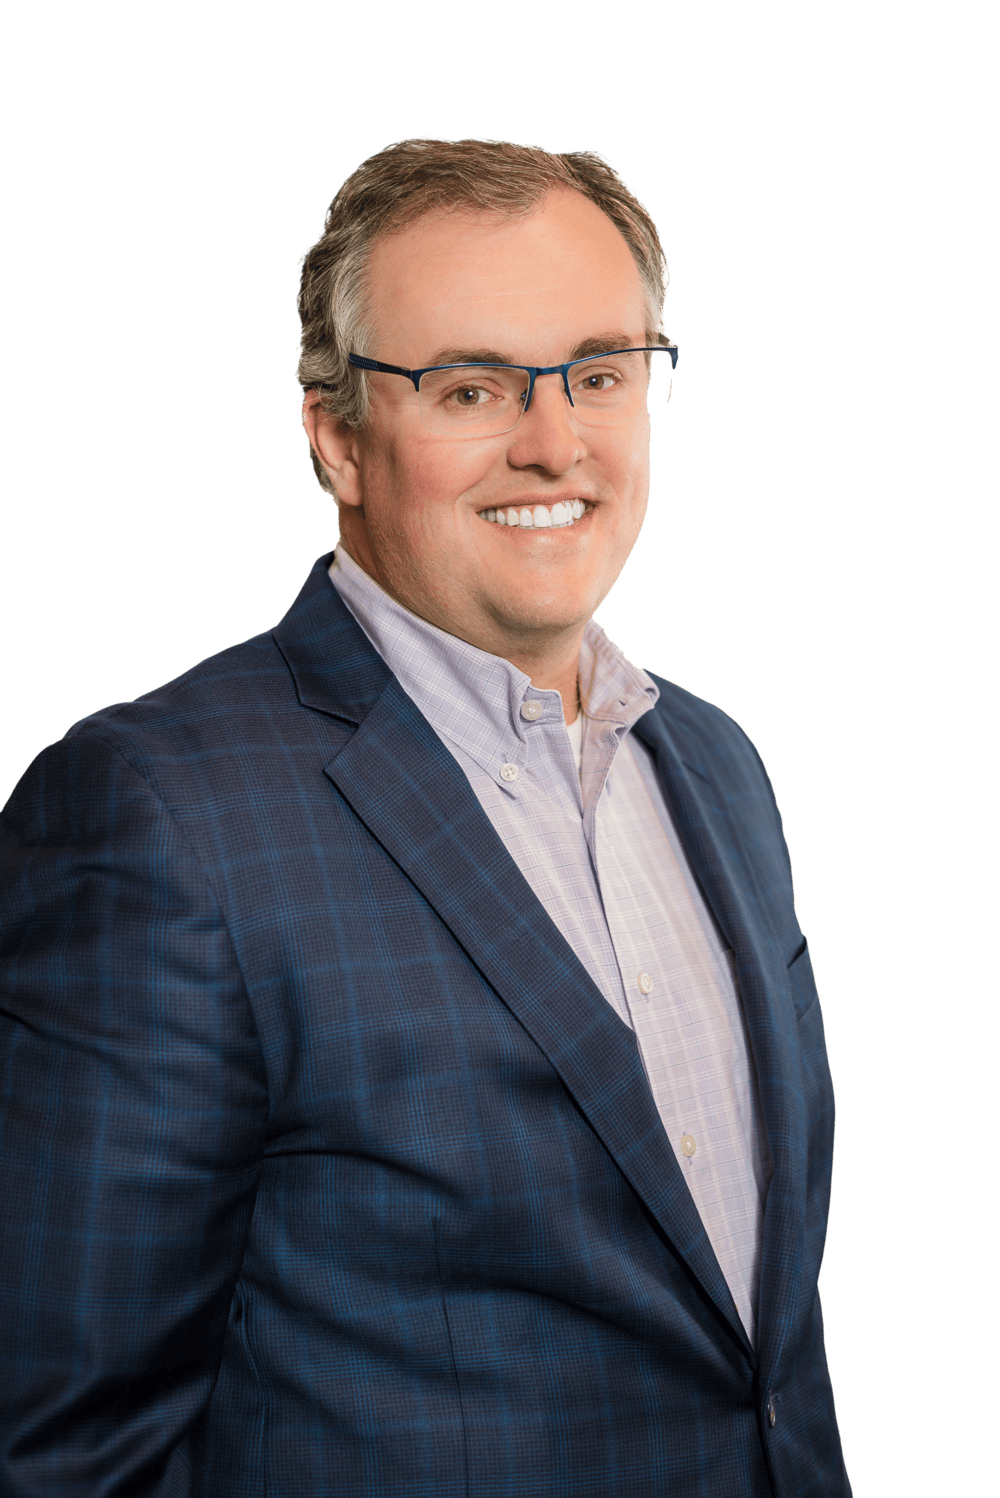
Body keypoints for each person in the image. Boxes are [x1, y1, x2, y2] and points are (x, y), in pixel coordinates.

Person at [0, 137, 851, 1497]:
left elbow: (753, 1356)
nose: (555, 440)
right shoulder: (160, 816)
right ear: (335, 434)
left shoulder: (716, 764)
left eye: (599, 372)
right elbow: (61, 1446)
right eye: (470, 385)